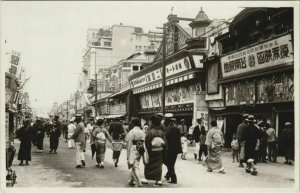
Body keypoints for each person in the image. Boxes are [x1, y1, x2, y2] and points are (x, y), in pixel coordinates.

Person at [142, 115, 166, 186]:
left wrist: (147, 149)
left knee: (148, 164)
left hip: (151, 151)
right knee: (158, 165)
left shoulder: (150, 132)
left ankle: (146, 178)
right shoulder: (161, 132)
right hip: (160, 151)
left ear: (152, 123)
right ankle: (158, 180)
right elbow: (165, 142)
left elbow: (147, 142)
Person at [125, 118, 145, 187]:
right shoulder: (142, 131)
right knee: (136, 164)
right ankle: (131, 180)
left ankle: (138, 182)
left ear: (133, 124)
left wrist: (127, 154)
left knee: (134, 166)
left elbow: (129, 143)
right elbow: (143, 141)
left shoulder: (132, 131)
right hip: (140, 148)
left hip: (133, 148)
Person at [164, 117, 182, 184]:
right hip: (176, 149)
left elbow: (165, 138)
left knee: (169, 163)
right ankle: (168, 175)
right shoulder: (177, 129)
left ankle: (173, 178)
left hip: (169, 149)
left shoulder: (168, 129)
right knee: (172, 163)